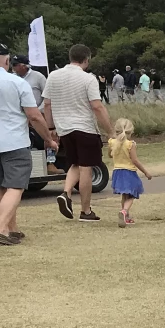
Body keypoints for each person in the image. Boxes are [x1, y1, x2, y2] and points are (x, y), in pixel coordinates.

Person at [0, 42, 60, 245]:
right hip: (14, 140)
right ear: (7, 61)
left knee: (0, 186)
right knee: (16, 186)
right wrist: (48, 139)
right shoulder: (16, 82)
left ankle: (10, 227)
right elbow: (33, 116)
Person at [46, 44, 115, 223]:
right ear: (86, 59)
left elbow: (47, 103)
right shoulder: (88, 78)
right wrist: (110, 130)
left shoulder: (53, 76)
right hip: (85, 128)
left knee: (74, 163)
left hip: (64, 129)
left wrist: (51, 127)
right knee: (86, 167)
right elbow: (97, 106)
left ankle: (66, 192)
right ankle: (85, 210)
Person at [13, 54, 55, 175]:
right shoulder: (13, 78)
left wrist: (37, 110)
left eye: (16, 65)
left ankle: (50, 163)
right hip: (20, 115)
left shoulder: (38, 77)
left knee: (48, 137)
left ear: (24, 66)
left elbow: (47, 96)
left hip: (38, 113)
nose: (13, 68)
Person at [107, 117, 152, 227]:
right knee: (132, 194)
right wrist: (145, 172)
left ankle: (125, 217)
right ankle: (124, 211)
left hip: (117, 172)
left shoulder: (112, 142)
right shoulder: (130, 144)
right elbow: (135, 160)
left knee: (124, 195)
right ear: (130, 132)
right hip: (129, 172)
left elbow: (110, 155)